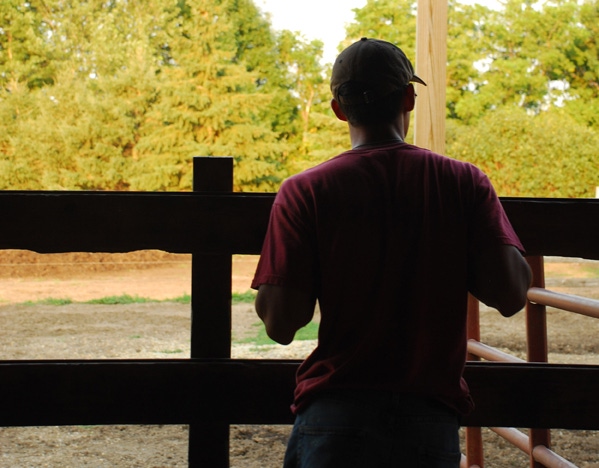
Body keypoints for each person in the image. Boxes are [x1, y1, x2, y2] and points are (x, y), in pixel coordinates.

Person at [251, 37, 532, 468]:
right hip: (428, 418)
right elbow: (512, 295)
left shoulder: (304, 191)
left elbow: (281, 323)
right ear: (409, 97)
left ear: (339, 109)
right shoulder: (464, 182)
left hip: (334, 415)